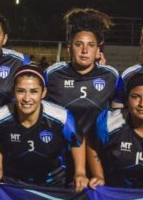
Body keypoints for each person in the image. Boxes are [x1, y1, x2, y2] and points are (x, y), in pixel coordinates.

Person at [0, 65, 87, 191]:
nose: (27, 98)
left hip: (54, 182)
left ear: (43, 92)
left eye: (34, 91)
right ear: (13, 91)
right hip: (14, 182)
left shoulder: (61, 117)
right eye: (21, 91)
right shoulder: (0, 117)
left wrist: (80, 172)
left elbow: (78, 141)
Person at [44, 8, 120, 141]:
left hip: (96, 148)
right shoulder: (52, 74)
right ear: (69, 49)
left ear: (98, 51)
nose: (84, 50)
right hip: (60, 147)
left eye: (91, 45)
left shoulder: (111, 76)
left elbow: (118, 115)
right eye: (79, 44)